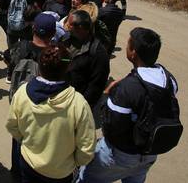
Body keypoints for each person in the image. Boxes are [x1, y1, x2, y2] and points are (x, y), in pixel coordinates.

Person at [77, 28, 179, 183]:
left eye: (128, 45)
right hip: (150, 153)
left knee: (85, 177)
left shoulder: (126, 88)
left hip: (122, 154)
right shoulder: (168, 78)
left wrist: (110, 94)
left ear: (133, 53)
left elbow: (111, 126)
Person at [6, 45, 96, 183]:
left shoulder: (22, 93)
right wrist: (73, 162)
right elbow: (87, 148)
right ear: (68, 68)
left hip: (29, 164)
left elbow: (12, 126)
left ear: (39, 67)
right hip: (61, 173)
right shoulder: (78, 103)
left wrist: (25, 142)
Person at [7, 13, 57, 177]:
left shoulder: (20, 48)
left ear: (33, 28)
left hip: (20, 103)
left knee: (17, 139)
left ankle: (16, 173)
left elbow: (8, 58)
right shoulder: (54, 54)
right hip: (44, 108)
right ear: (53, 33)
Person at [0, 0, 42, 83]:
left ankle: (10, 74)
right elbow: (39, 6)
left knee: (12, 50)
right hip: (27, 26)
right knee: (26, 49)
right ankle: (25, 74)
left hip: (11, 25)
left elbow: (2, 7)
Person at [61, 10, 110, 108]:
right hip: (61, 96)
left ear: (80, 28)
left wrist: (82, 106)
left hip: (77, 103)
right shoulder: (65, 40)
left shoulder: (98, 53)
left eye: (70, 24)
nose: (66, 26)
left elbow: (96, 86)